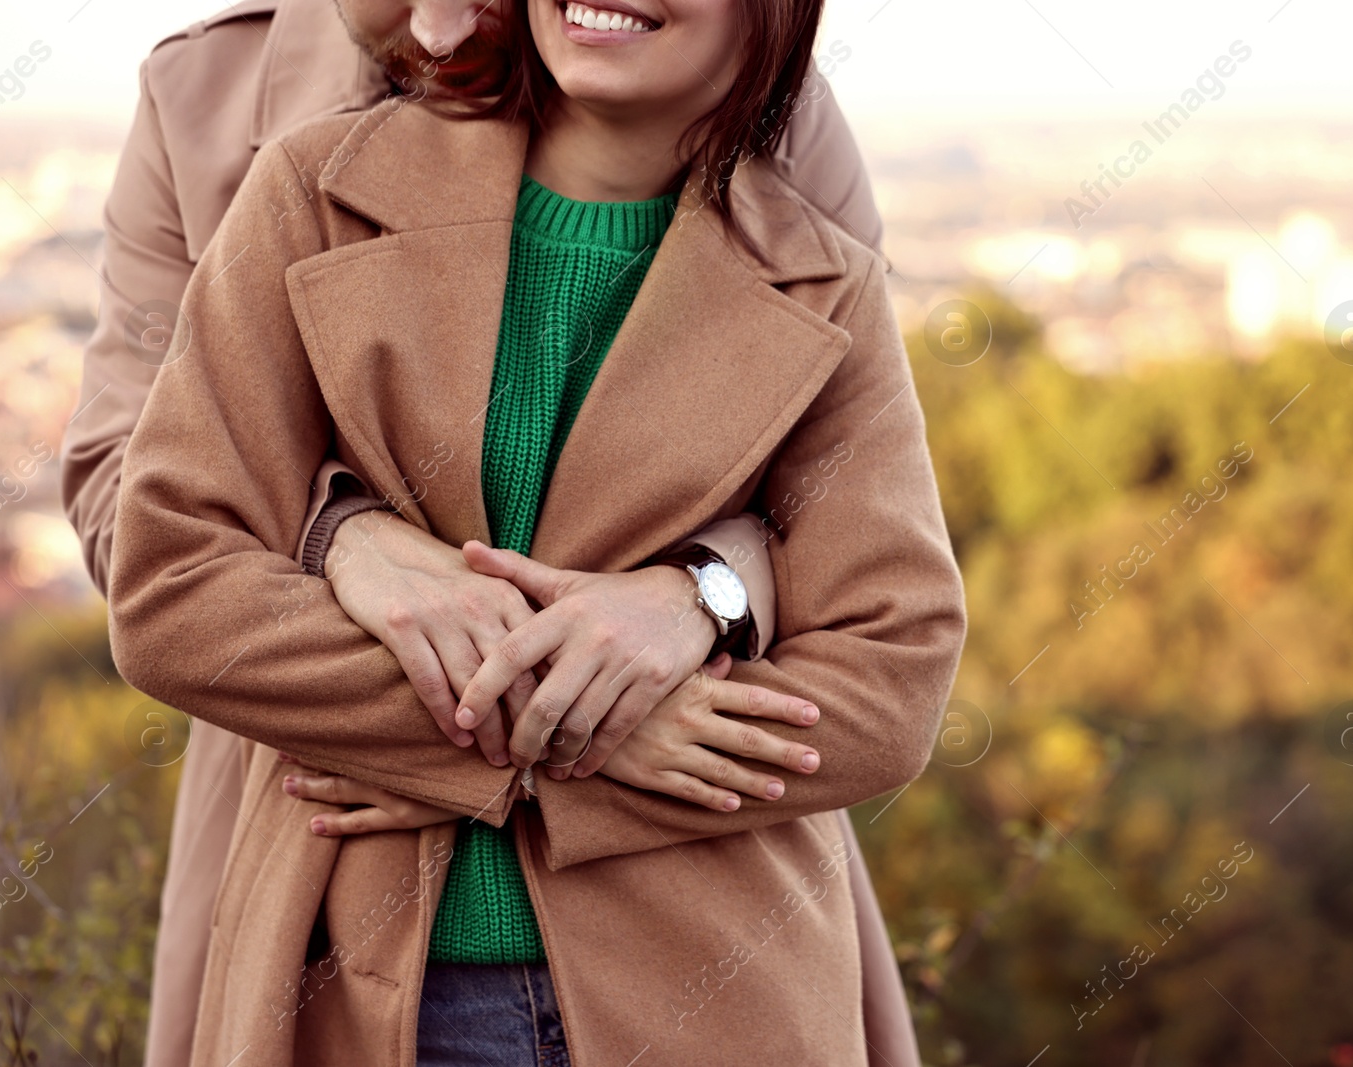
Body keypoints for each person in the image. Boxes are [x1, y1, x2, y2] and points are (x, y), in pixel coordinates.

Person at [105, 0, 964, 1062]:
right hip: (372, 984)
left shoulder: (827, 278)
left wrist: (697, 600)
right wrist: (585, 725)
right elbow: (170, 580)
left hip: (719, 989)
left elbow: (895, 666)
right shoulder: (311, 191)